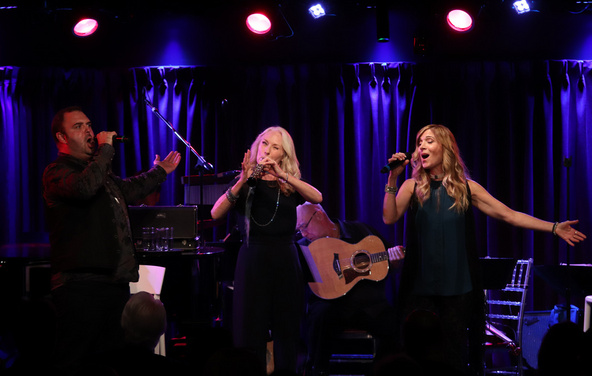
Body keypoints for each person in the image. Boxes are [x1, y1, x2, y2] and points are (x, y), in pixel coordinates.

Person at [381, 124, 586, 376]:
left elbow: (509, 215)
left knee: (453, 356)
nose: (421, 146)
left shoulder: (466, 188)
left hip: (457, 289)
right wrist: (393, 179)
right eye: (419, 142)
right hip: (421, 287)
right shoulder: (411, 187)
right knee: (418, 357)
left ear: (444, 147)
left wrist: (554, 228)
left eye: (429, 141)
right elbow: (389, 217)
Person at [42, 106, 181, 375]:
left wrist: (160, 172)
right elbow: (85, 188)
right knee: (76, 362)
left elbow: (128, 189)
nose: (89, 131)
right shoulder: (56, 172)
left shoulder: (98, 172)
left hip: (112, 284)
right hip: (79, 287)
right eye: (78, 126)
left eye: (89, 124)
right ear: (61, 137)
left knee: (112, 362)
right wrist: (106, 150)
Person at [211, 126, 322, 374]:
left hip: (285, 258)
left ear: (284, 154)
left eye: (275, 147)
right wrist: (242, 179)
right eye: (264, 144)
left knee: (287, 328)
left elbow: (317, 197)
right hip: (253, 259)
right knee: (250, 329)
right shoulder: (244, 181)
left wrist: (284, 175)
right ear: (256, 147)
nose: (267, 151)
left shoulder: (289, 184)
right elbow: (215, 213)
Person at [295, 202, 405, 376]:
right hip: (330, 307)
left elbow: (387, 260)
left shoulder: (360, 231)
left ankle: (381, 372)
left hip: (368, 305)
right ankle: (316, 370)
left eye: (303, 226)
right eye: (299, 230)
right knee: (318, 319)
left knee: (393, 326)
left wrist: (394, 260)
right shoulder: (304, 247)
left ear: (319, 215)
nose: (303, 233)